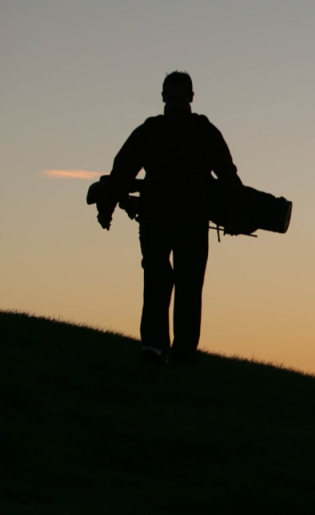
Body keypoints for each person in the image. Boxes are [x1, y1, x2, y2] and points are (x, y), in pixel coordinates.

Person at [96, 71, 241, 364]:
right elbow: (122, 171)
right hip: (155, 220)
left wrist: (236, 212)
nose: (175, 102)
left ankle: (183, 353)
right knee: (157, 282)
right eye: (171, 97)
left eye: (180, 97)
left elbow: (227, 175)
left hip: (192, 221)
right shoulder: (150, 131)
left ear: (191, 97)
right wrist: (106, 206)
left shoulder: (204, 131)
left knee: (188, 288)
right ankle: (154, 347)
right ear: (163, 97)